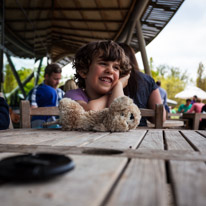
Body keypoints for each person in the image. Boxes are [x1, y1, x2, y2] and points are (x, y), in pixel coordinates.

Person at [64, 40, 131, 111]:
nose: (110, 70)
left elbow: (119, 115)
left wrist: (118, 85)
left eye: (116, 67)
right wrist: (112, 94)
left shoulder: (118, 94)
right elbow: (89, 112)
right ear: (83, 71)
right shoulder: (72, 96)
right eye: (103, 64)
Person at [118, 43, 166, 126]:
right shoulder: (147, 80)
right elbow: (161, 117)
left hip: (109, 131)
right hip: (140, 131)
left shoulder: (110, 77)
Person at [28, 63, 65, 128]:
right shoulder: (36, 91)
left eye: (59, 79)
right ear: (47, 76)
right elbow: (31, 112)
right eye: (55, 79)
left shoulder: (61, 93)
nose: (58, 82)